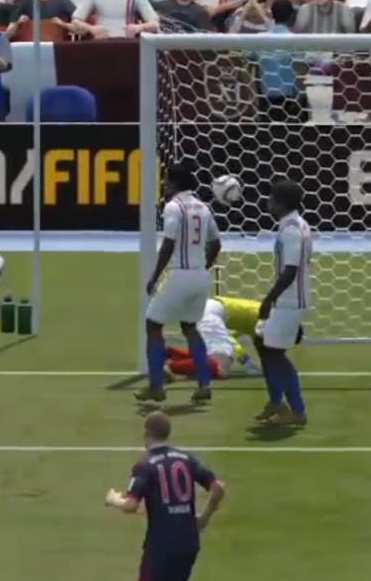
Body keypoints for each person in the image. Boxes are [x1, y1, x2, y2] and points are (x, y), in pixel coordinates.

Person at [104, 412, 226, 581]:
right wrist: (204, 518)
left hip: (161, 544)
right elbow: (218, 488)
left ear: (146, 433)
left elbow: (131, 505)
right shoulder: (186, 458)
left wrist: (113, 500)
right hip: (188, 541)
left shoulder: (145, 464)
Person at [137, 164, 221, 405]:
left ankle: (156, 386)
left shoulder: (173, 207)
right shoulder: (204, 208)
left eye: (166, 180)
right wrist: (204, 266)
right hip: (200, 276)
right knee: (190, 327)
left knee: (153, 325)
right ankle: (204, 385)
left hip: (180, 275)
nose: (164, 184)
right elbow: (216, 244)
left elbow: (169, 244)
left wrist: (155, 276)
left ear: (174, 183)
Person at [249, 179, 309, 425]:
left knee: (274, 353)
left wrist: (268, 299)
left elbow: (290, 271)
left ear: (282, 203)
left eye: (272, 198)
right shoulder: (296, 225)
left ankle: (297, 410)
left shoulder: (291, 230)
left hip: (290, 301)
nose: (268, 201)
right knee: (263, 343)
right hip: (289, 299)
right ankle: (276, 401)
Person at [164, 299, 255, 380]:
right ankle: (168, 366)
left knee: (213, 357)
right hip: (210, 310)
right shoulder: (259, 318)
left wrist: (247, 362)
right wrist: (248, 363)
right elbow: (232, 341)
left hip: (210, 307)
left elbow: (231, 338)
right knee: (219, 367)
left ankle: (168, 354)